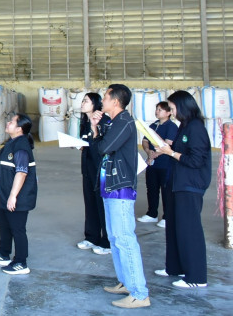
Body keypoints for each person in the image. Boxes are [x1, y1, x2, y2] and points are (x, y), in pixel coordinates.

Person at [97, 84, 150, 309]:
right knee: (115, 238)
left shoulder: (124, 122)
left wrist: (99, 131)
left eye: (105, 97)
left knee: (125, 239)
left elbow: (104, 147)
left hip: (120, 189)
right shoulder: (114, 122)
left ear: (115, 101)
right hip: (110, 186)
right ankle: (126, 283)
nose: (102, 100)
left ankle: (139, 293)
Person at [155, 90, 212, 289]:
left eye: (172, 108)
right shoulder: (184, 126)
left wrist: (171, 153)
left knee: (189, 230)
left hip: (190, 185)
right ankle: (174, 267)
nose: (171, 112)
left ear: (183, 106)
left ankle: (196, 277)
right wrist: (166, 149)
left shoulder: (196, 128)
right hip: (177, 184)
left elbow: (196, 160)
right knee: (174, 227)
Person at [0, 113, 38, 275]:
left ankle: (21, 262)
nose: (8, 123)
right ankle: (3, 253)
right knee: (4, 224)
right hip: (6, 194)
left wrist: (13, 196)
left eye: (12, 122)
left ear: (19, 129)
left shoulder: (21, 146)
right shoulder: (12, 143)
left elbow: (21, 172)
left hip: (18, 196)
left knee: (17, 228)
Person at [76, 93, 112, 255]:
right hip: (88, 167)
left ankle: (107, 241)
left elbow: (104, 146)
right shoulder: (84, 122)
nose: (82, 103)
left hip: (100, 168)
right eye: (82, 100)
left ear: (95, 104)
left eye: (86, 101)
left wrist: (94, 129)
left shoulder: (104, 121)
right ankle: (92, 237)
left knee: (102, 204)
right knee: (90, 202)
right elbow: (87, 142)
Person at [137, 101, 178, 227]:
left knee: (166, 191)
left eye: (160, 110)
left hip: (165, 164)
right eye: (156, 109)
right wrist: (148, 151)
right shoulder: (153, 125)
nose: (157, 112)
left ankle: (167, 217)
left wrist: (154, 155)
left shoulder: (171, 126)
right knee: (151, 188)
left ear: (168, 112)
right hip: (152, 163)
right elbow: (145, 140)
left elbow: (168, 144)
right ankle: (152, 214)